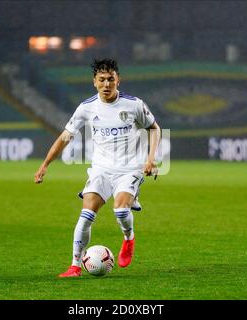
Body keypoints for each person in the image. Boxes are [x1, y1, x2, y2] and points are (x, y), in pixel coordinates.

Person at [34, 58, 161, 277]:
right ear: (94, 81)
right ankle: (74, 266)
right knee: (86, 214)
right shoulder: (86, 108)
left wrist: (151, 158)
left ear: (118, 80)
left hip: (129, 169)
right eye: (101, 79)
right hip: (101, 170)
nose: (106, 84)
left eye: (111, 79)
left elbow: (154, 128)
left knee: (121, 210)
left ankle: (128, 239)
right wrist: (45, 164)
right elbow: (65, 138)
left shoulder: (134, 104)